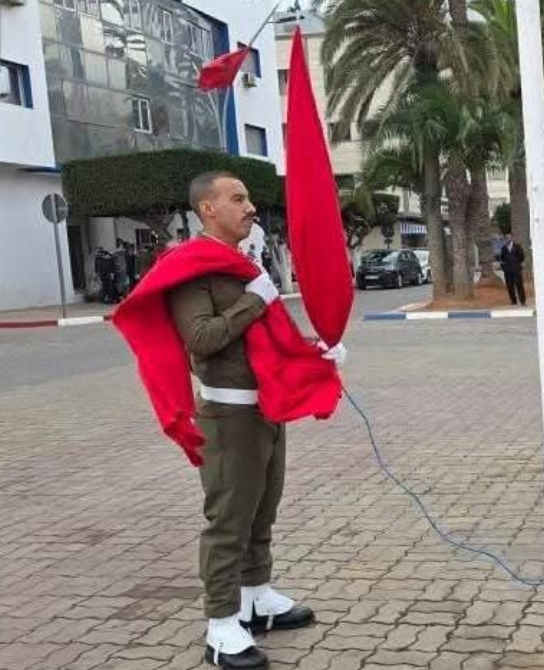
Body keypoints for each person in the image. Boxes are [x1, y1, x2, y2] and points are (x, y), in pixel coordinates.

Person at [166, 172, 336, 669]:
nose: (250, 207)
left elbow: (268, 338)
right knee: (229, 519)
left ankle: (255, 596)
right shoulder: (191, 268)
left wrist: (314, 351)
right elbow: (201, 338)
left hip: (266, 405)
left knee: (263, 509)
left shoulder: (242, 263)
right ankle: (222, 624)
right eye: (237, 199)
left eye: (248, 198)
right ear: (208, 208)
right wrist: (256, 298)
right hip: (228, 415)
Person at [499, 233, 527, 306]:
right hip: (508, 271)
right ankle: (513, 301)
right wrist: (504, 267)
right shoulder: (503, 248)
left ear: (511, 238)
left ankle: (523, 301)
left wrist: (518, 265)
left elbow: (522, 257)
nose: (507, 239)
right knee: (510, 286)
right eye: (506, 238)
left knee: (519, 285)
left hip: (516, 270)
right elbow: (502, 259)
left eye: (508, 238)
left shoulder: (517, 246)